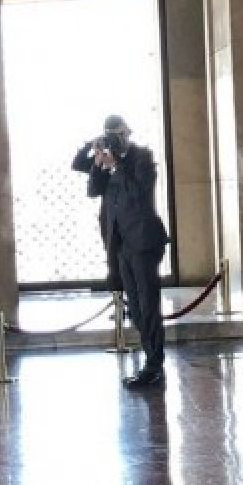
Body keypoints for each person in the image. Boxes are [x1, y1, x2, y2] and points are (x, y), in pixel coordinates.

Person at [78, 115, 169, 389]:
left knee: (148, 305)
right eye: (111, 135)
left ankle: (153, 367)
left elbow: (140, 192)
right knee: (136, 309)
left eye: (118, 133)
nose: (117, 139)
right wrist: (93, 155)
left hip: (144, 242)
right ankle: (152, 361)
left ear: (127, 132)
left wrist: (116, 164)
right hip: (121, 245)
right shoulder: (107, 162)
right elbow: (93, 191)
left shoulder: (142, 157)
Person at [72, 131, 124, 292]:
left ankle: (132, 304)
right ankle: (119, 304)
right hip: (108, 218)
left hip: (128, 218)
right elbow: (91, 188)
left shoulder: (129, 162)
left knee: (130, 263)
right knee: (113, 261)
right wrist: (91, 149)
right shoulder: (100, 164)